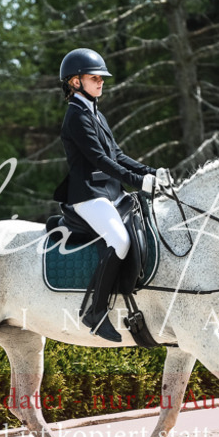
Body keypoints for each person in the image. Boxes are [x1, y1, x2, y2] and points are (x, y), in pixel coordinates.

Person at [55, 47, 171, 343]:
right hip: (89, 195)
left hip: (110, 192)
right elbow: (100, 160)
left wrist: (151, 171)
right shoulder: (76, 116)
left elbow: (117, 154)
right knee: (120, 240)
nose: (101, 82)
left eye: (101, 78)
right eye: (94, 78)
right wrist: (138, 181)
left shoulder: (94, 112)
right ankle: (95, 311)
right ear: (75, 82)